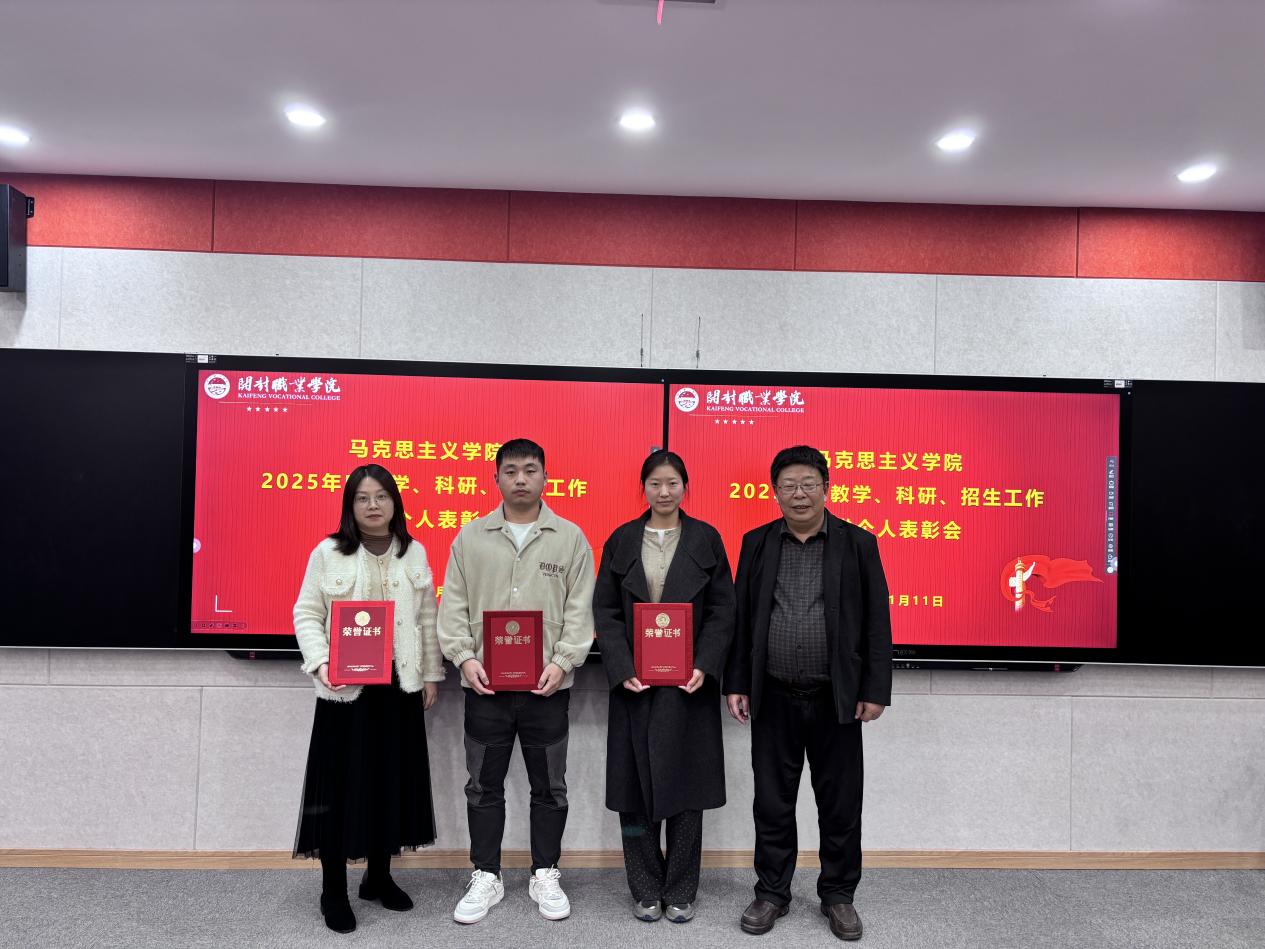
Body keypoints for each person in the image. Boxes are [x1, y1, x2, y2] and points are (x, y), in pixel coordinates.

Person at [723, 445, 893, 942]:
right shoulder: (756, 543)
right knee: (772, 803)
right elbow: (742, 619)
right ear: (774, 492)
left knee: (839, 804)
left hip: (835, 698)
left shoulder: (858, 543)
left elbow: (877, 623)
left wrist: (874, 689)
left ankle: (838, 894)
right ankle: (772, 892)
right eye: (789, 486)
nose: (799, 494)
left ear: (826, 488)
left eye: (808, 484)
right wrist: (736, 683)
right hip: (773, 696)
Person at [437, 438, 595, 925]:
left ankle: (544, 871)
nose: (520, 479)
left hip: (547, 689)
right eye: (510, 471)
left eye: (530, 470)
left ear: (545, 476)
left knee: (550, 786)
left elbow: (580, 610)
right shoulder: (470, 538)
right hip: (485, 688)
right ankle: (486, 874)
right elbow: (453, 607)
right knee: (483, 786)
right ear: (496, 478)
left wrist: (563, 662)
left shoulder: (570, 538)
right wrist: (464, 659)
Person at [292, 463, 445, 934]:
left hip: (399, 687)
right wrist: (321, 664)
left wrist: (431, 674)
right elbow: (307, 613)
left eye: (381, 496)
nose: (373, 505)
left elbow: (426, 617)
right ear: (350, 505)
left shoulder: (414, 551)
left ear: (395, 502)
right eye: (362, 497)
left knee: (390, 783)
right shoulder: (328, 552)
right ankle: (333, 890)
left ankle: (378, 877)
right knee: (341, 789)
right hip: (346, 691)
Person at [592, 449, 736, 924]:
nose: (664, 491)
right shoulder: (621, 539)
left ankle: (681, 889)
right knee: (633, 794)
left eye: (673, 483)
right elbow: (605, 611)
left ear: (685, 487)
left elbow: (723, 610)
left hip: (687, 685)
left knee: (687, 793)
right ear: (644, 489)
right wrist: (620, 666)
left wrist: (705, 664)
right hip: (635, 684)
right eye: (655, 483)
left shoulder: (706, 539)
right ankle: (645, 887)